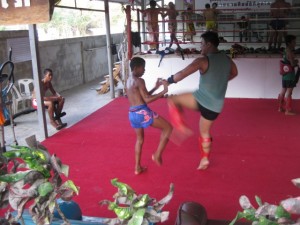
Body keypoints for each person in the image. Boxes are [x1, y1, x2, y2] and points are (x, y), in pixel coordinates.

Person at [166, 31, 238, 170]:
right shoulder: (227, 59)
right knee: (205, 133)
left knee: (172, 99)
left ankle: (181, 127)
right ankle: (204, 159)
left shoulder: (202, 60)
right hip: (215, 106)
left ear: (209, 44)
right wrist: (221, 81)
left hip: (199, 99)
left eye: (202, 44)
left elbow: (181, 75)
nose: (201, 47)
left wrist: (168, 81)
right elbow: (235, 73)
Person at [126, 57, 172, 175]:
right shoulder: (140, 80)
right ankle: (157, 154)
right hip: (142, 113)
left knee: (139, 140)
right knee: (168, 128)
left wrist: (156, 88)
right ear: (136, 68)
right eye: (143, 67)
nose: (144, 70)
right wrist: (164, 91)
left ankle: (137, 168)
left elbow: (143, 97)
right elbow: (147, 99)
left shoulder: (128, 80)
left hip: (132, 113)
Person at [277, 34, 299, 115]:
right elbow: (292, 64)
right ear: (289, 43)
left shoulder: (285, 50)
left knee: (283, 90)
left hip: (285, 74)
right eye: (294, 42)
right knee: (289, 92)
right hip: (290, 74)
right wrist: (296, 61)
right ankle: (288, 110)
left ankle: (280, 107)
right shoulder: (290, 51)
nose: (295, 43)